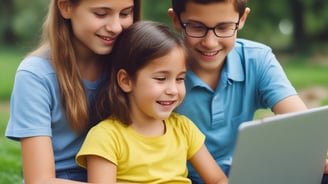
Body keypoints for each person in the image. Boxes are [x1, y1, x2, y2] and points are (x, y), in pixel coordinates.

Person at [167, 0, 311, 183]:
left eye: (224, 27)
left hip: (239, 175)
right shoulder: (161, 70)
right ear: (176, 20)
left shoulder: (256, 59)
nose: (210, 43)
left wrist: (312, 157)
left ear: (242, 18)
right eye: (196, 27)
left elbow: (302, 124)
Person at [75, 20, 229, 184]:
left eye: (180, 79)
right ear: (126, 81)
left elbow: (218, 179)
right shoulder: (106, 137)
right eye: (161, 78)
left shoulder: (183, 129)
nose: (173, 90)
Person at [5, 0, 141, 183]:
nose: (116, 27)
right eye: (101, 14)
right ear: (66, 7)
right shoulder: (35, 75)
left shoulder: (132, 67)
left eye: (125, 14)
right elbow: (39, 180)